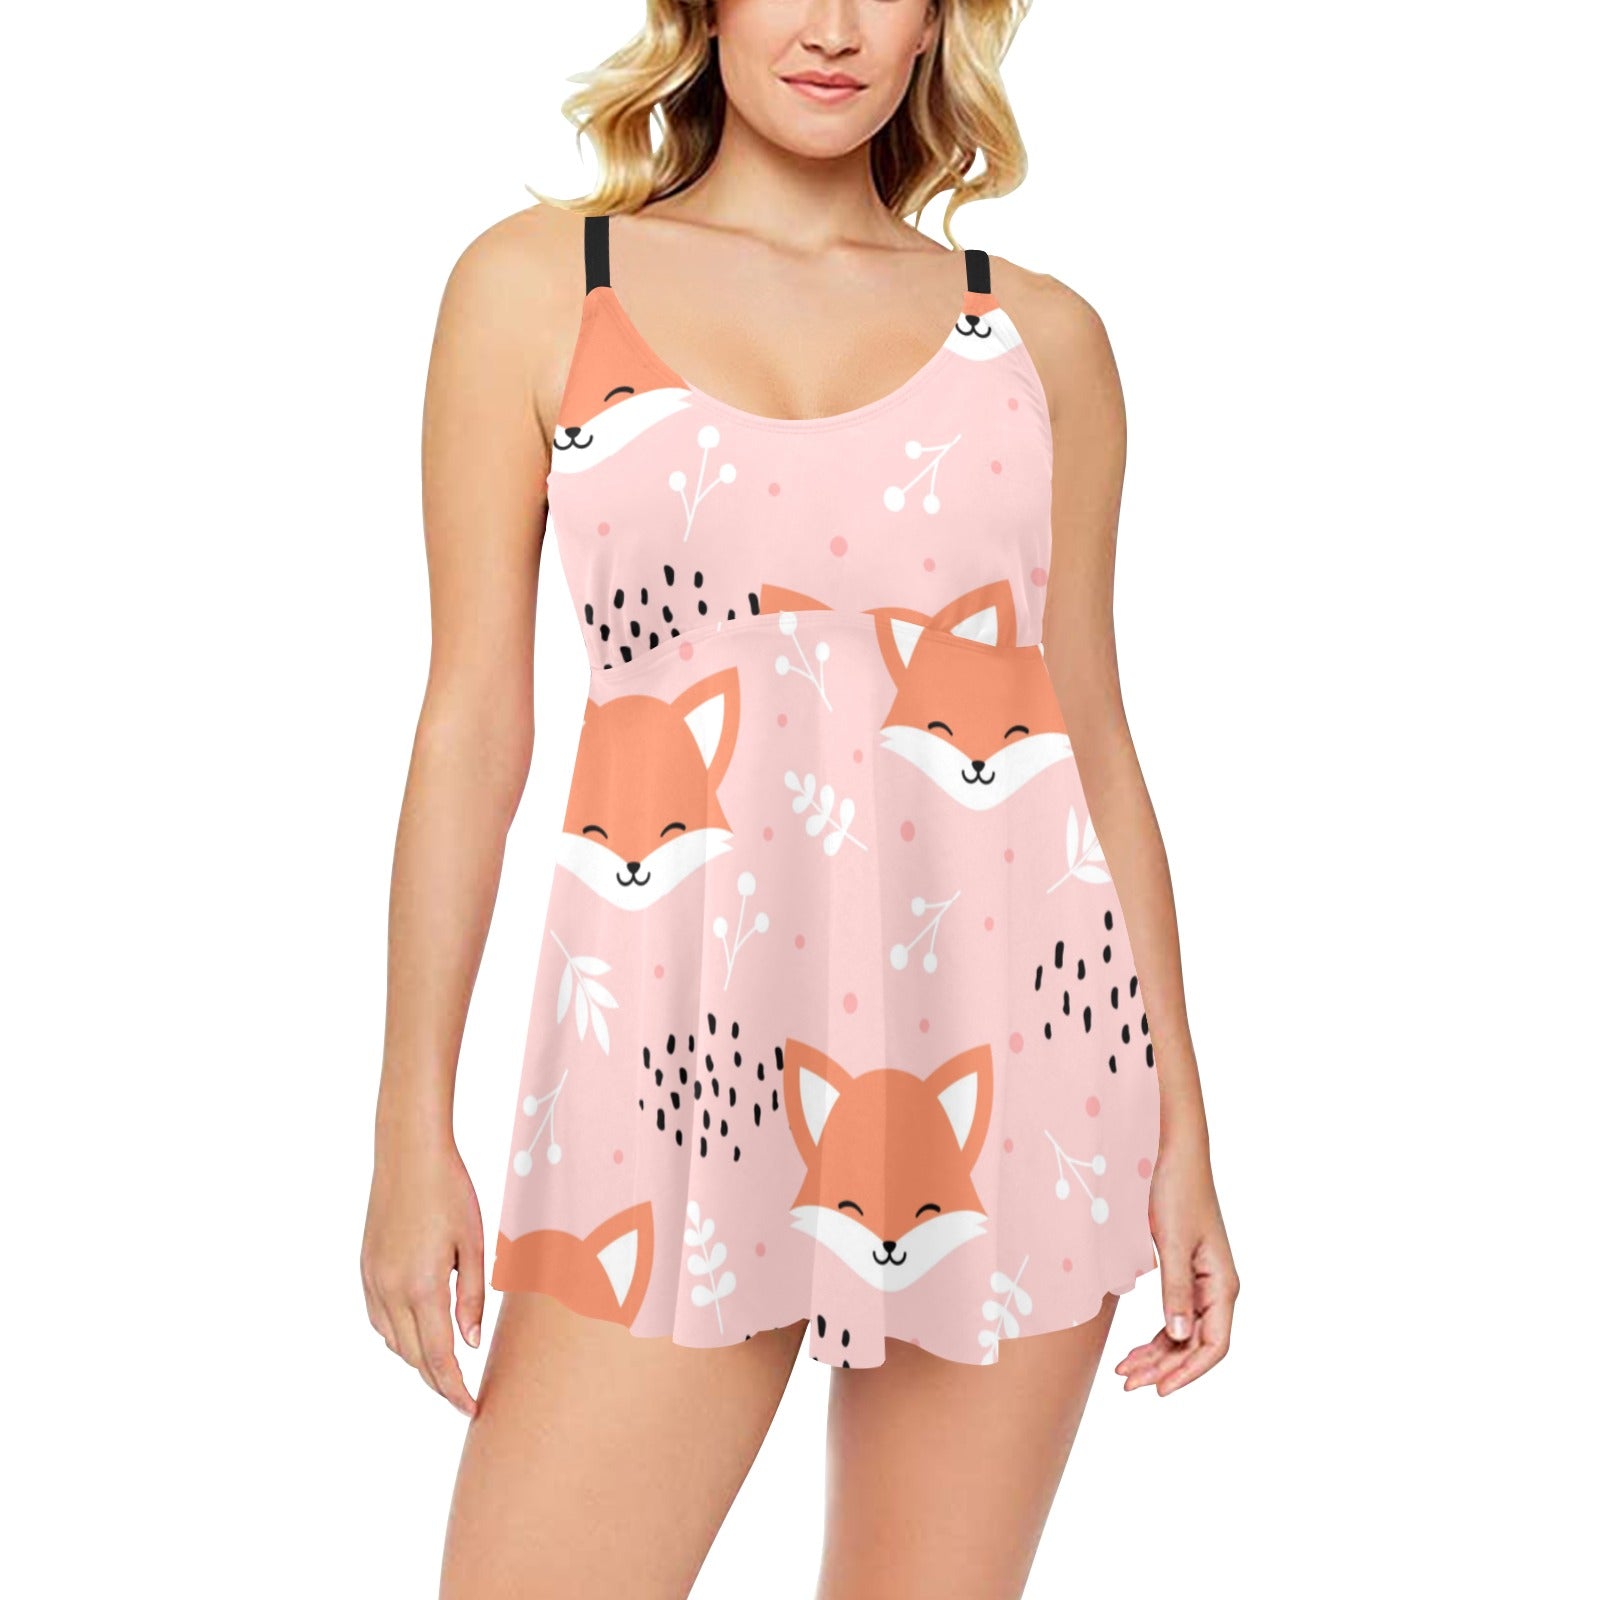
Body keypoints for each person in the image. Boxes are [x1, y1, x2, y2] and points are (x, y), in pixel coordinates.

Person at [361, 3, 1239, 1595]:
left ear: (939, 21)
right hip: (668, 1067)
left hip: (1010, 1079)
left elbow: (1093, 743)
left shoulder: (1040, 340)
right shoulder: (541, 286)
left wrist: (1185, 1132)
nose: (833, 26)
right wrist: (410, 1126)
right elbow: (472, 723)